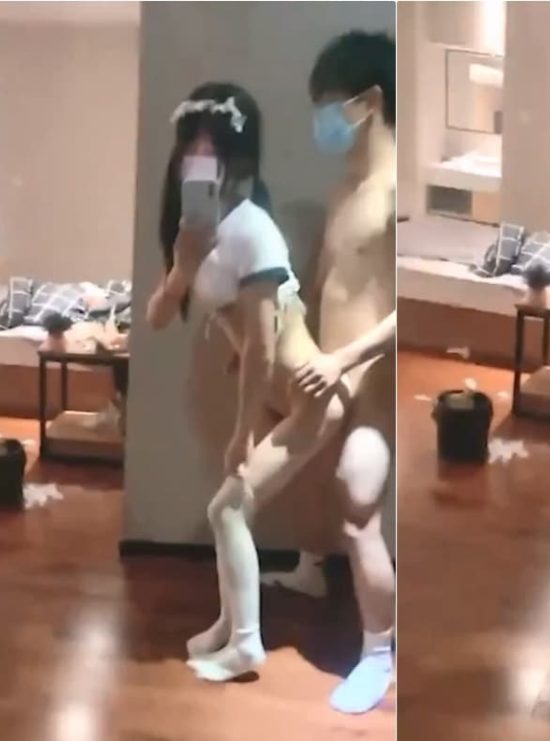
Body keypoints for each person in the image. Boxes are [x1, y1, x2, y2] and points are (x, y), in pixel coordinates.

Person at [146, 82, 352, 683]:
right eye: (191, 148)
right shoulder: (197, 230)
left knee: (226, 509)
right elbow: (157, 318)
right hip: (277, 393)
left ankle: (245, 645)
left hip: (308, 399)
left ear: (240, 155)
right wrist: (183, 268)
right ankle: (228, 623)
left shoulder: (253, 229)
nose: (199, 160)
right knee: (233, 511)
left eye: (212, 149)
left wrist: (241, 433)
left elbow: (264, 343)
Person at [288, 31, 398, 715]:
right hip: (324, 370)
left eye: (330, 104)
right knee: (309, 476)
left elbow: (405, 313)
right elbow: (323, 282)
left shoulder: (392, 194)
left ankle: (379, 654)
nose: (322, 120)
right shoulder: (343, 190)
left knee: (360, 508)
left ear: (369, 101)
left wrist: (345, 359)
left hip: (371, 380)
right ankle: (308, 567)